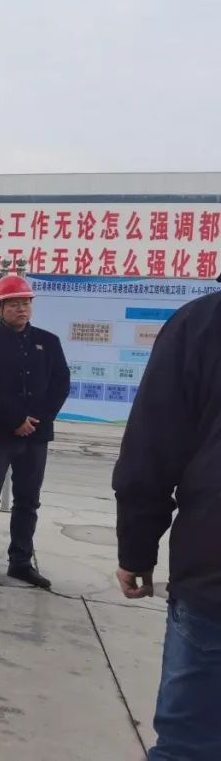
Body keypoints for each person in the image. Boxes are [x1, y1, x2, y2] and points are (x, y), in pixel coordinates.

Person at [113, 283, 221, 760]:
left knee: (189, 746)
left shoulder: (202, 323)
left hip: (212, 576)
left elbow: (151, 449)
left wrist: (137, 550)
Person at [0, 275, 70, 588]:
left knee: (28, 500)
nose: (21, 308)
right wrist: (15, 419)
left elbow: (60, 384)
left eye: (26, 303)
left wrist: (36, 419)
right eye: (14, 304)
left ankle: (21, 561)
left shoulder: (48, 341)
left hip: (36, 435)